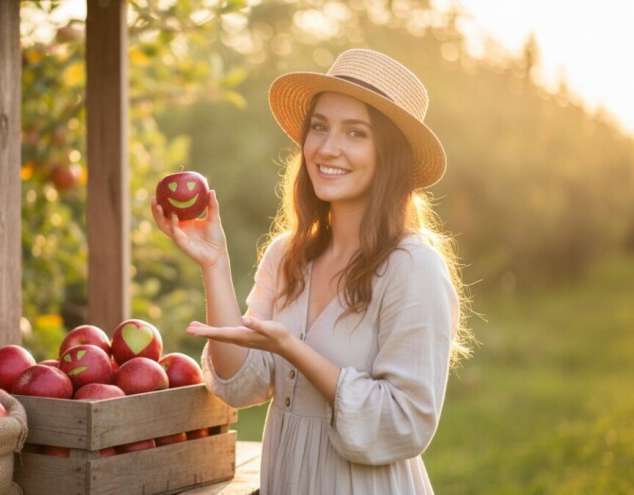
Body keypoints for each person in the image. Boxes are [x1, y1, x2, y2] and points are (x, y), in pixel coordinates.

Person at [152, 49, 473, 494]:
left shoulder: (412, 268)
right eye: (319, 127)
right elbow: (240, 386)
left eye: (355, 133)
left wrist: (293, 349)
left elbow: (404, 424)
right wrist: (215, 263)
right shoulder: (289, 256)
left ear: (390, 154)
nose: (327, 147)